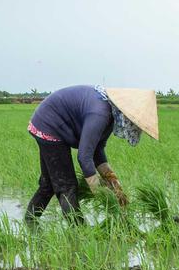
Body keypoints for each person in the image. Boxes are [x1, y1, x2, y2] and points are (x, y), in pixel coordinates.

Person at [24, 85, 158, 223]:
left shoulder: (110, 116)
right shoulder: (100, 114)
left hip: (49, 123)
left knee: (49, 183)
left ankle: (29, 220)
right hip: (50, 126)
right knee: (66, 185)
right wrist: (100, 192)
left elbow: (97, 150)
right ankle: (78, 231)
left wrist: (115, 186)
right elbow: (84, 157)